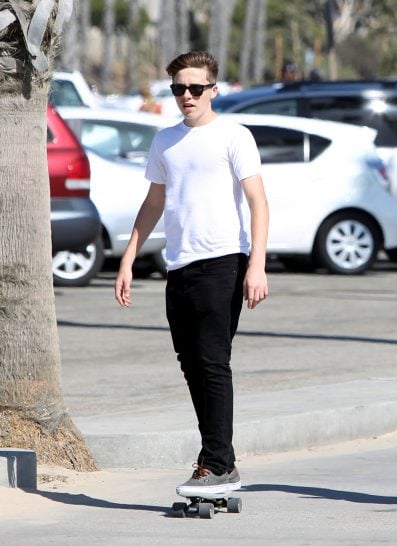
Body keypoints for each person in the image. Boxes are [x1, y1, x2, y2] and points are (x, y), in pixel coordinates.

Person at [114, 51, 269, 498]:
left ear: (213, 90)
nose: (186, 96)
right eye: (179, 88)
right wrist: (128, 259)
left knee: (212, 363)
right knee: (192, 365)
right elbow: (153, 203)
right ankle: (222, 461)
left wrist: (256, 265)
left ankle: (216, 464)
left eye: (195, 88)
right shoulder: (165, 141)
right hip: (179, 265)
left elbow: (259, 202)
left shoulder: (233, 136)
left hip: (224, 261)